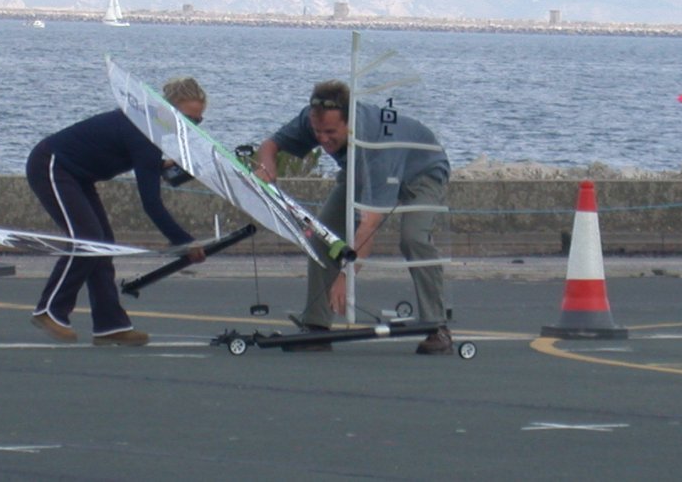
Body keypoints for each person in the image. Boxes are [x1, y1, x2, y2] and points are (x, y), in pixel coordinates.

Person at [256, 80, 453, 354]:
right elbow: (270, 145)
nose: (323, 139)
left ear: (350, 124)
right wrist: (267, 165)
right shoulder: (311, 117)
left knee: (413, 239)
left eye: (331, 133)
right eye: (317, 132)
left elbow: (369, 225)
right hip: (359, 171)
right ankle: (317, 328)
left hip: (422, 172)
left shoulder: (376, 143)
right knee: (321, 236)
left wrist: (345, 277)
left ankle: (437, 326)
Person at [26, 77, 207, 346]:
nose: (189, 126)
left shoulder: (149, 131)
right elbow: (151, 203)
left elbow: (137, 160)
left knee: (103, 246)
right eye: (186, 118)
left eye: (197, 121)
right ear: (167, 109)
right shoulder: (144, 132)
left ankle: (110, 325)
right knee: (89, 240)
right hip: (51, 165)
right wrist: (184, 242)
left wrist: (159, 167)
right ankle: (49, 309)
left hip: (79, 177)